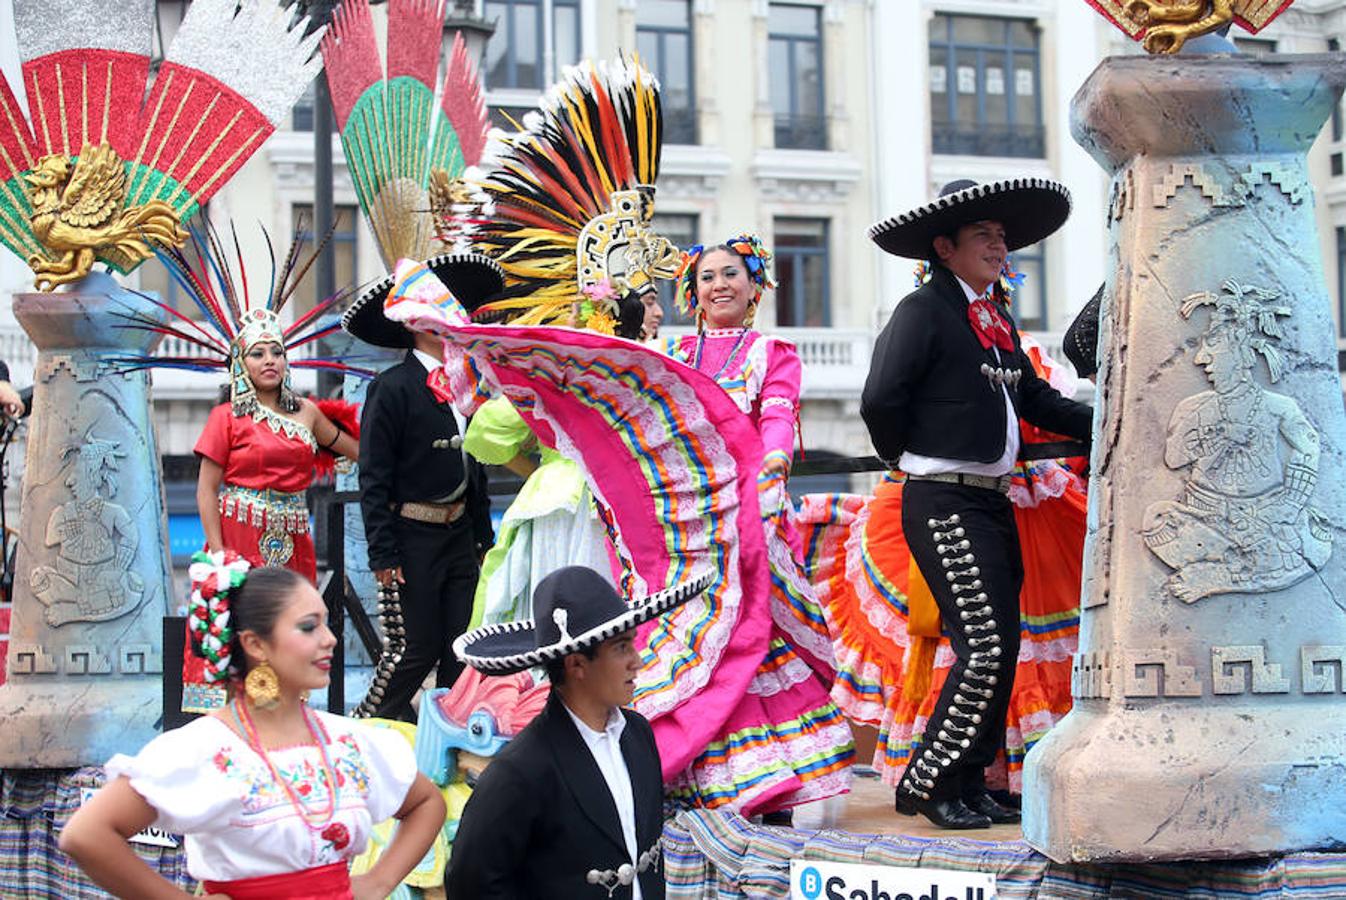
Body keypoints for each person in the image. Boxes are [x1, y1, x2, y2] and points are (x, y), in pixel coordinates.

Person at [861, 178, 1093, 829]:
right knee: (985, 644)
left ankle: (963, 782)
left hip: (988, 503)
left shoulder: (990, 316)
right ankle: (931, 781)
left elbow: (1033, 401)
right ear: (945, 246)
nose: (1000, 246)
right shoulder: (923, 311)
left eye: (1002, 236)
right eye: (984, 236)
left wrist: (1099, 423)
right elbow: (881, 399)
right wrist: (908, 456)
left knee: (1000, 642)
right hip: (942, 501)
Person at [60, 554, 446, 899]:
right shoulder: (208, 750)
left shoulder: (347, 741)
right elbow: (86, 835)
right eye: (308, 627)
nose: (329, 640)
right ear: (255, 645)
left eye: (326, 625)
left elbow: (427, 803)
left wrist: (378, 882)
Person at [648, 233, 854, 817]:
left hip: (753, 518)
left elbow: (779, 416)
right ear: (692, 292)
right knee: (693, 649)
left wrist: (769, 471)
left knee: (754, 642)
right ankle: (696, 779)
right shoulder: (675, 354)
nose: (720, 284)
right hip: (689, 529)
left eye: (731, 274)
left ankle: (773, 786)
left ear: (754, 285)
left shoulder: (772, 353)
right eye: (708, 276)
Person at [446, 565, 709, 900]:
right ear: (576, 665)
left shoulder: (638, 735)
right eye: (621, 648)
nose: (637, 661)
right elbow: (472, 886)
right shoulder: (521, 770)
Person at [343, 252, 503, 722]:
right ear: (418, 323)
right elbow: (372, 475)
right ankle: (368, 730)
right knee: (413, 650)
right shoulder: (392, 388)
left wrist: (481, 537)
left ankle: (443, 739)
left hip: (458, 538)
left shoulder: (465, 384)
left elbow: (475, 467)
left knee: (462, 646)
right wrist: (384, 555)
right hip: (411, 538)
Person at [195, 310, 359, 583]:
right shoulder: (226, 416)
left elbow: (358, 452)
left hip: (295, 533)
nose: (270, 360)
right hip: (241, 533)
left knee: (296, 616)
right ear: (241, 364)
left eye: (277, 352)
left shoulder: (308, 412)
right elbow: (206, 490)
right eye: (258, 354)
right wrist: (218, 555)